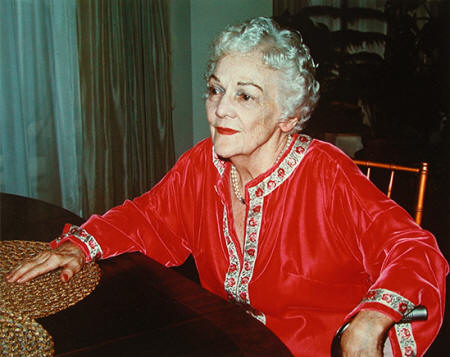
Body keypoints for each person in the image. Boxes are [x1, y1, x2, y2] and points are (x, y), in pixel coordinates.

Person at [6, 17, 448, 357]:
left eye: (246, 95)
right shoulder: (204, 164)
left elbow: (415, 250)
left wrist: (371, 321)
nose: (220, 110)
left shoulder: (326, 174)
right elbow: (149, 216)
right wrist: (81, 246)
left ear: (288, 117)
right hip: (230, 342)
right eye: (216, 89)